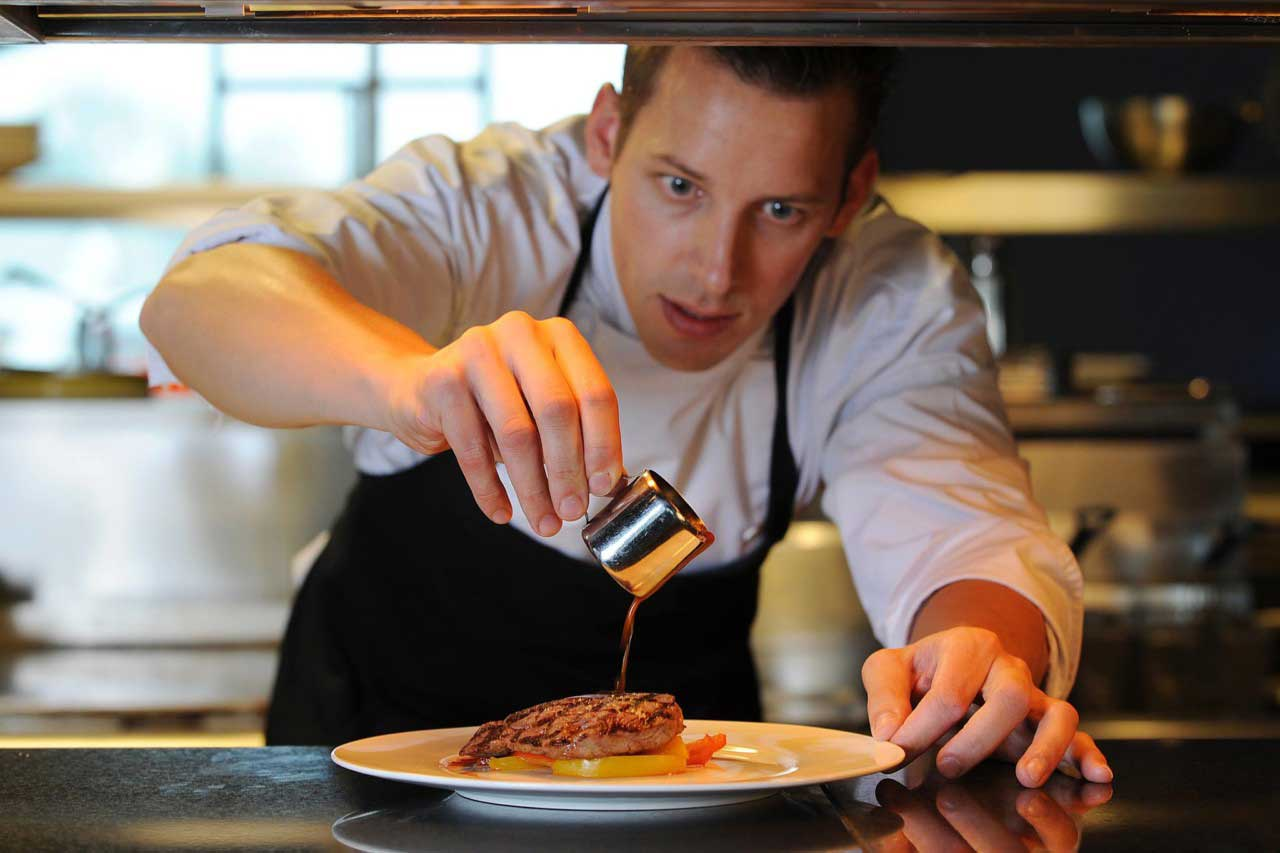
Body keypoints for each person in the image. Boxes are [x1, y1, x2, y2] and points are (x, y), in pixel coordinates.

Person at [142, 45, 1111, 788]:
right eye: (678, 186)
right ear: (606, 132)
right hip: (374, 755)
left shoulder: (883, 294)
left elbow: (962, 528)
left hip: (675, 785)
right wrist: (408, 382)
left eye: (778, 209)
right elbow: (199, 298)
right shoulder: (488, 206)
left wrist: (978, 656)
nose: (713, 271)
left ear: (849, 195)